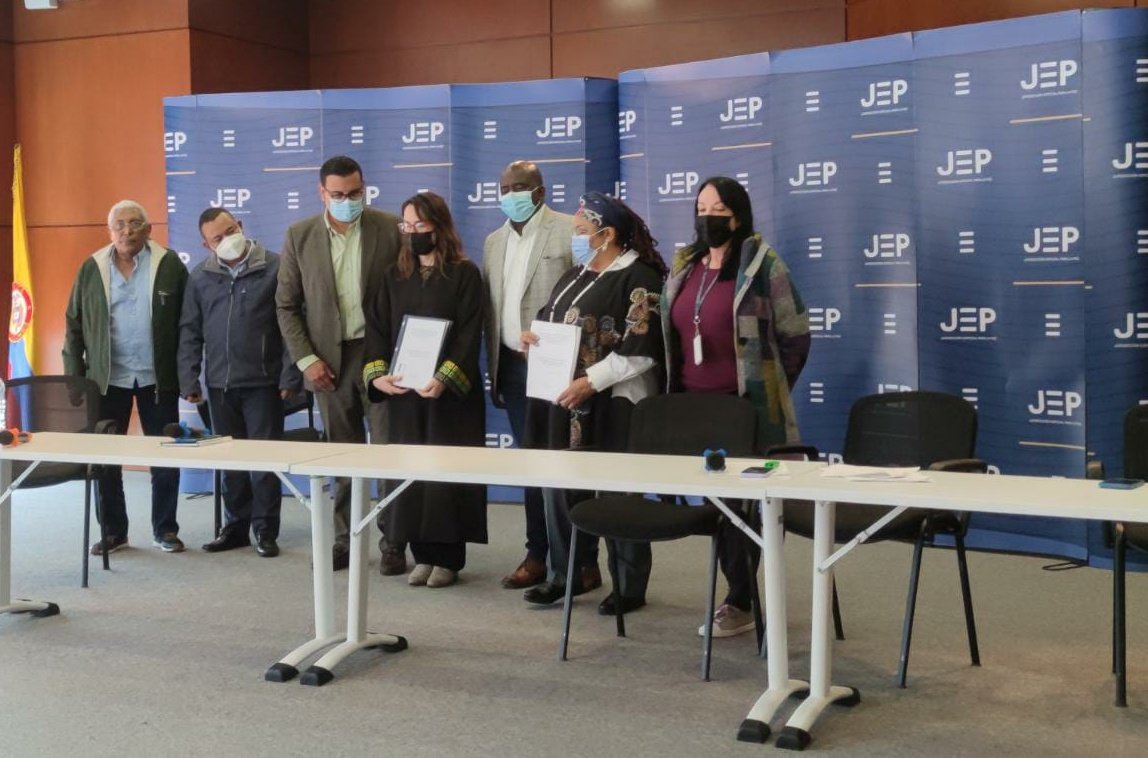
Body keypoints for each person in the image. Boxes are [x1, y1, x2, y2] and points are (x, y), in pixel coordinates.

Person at [662, 176, 810, 638]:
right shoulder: (686, 265)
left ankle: (740, 599)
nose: (707, 217)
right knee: (716, 506)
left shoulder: (763, 265)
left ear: (738, 216)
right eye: (701, 209)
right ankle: (738, 593)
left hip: (742, 408)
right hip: (692, 405)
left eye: (718, 210)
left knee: (741, 507)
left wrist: (770, 386)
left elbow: (795, 335)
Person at [520, 192, 666, 613]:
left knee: (619, 494)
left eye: (583, 231)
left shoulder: (639, 278)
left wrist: (592, 381)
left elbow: (643, 349)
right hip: (565, 400)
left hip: (616, 401)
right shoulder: (574, 275)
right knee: (561, 488)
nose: (577, 238)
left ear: (608, 234)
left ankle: (628, 585)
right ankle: (568, 573)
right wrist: (532, 340)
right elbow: (551, 323)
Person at [277, 155, 404, 572]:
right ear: (322, 193)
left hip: (382, 358)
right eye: (338, 194)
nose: (348, 201)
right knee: (341, 455)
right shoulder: (299, 236)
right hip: (328, 362)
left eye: (355, 193)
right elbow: (286, 305)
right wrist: (306, 359)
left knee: (387, 452)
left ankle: (393, 540)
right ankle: (345, 539)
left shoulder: (390, 228)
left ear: (364, 188)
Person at [362, 192, 487, 588]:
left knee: (445, 477)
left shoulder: (464, 274)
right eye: (407, 225)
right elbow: (377, 329)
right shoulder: (394, 276)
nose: (412, 232)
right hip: (407, 396)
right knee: (413, 475)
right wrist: (378, 375)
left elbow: (469, 333)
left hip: (448, 398)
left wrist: (445, 378)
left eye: (420, 225)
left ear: (439, 227)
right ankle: (422, 554)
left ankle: (448, 558)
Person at [64, 200, 189, 555]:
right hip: (107, 379)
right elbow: (73, 324)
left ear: (148, 230)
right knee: (105, 457)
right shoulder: (92, 268)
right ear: (110, 231)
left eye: (135, 223)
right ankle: (114, 532)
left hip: (157, 378)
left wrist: (188, 374)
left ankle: (165, 529)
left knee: (165, 454)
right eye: (119, 224)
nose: (127, 230)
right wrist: (74, 379)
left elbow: (188, 324)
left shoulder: (169, 265)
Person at [178, 208, 303, 558]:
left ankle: (265, 530)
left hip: (264, 384)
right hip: (220, 385)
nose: (227, 239)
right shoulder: (200, 277)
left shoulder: (276, 267)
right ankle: (235, 529)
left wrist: (290, 375)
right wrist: (189, 378)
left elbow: (291, 327)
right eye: (217, 238)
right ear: (206, 244)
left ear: (241, 226)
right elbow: (189, 331)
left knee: (264, 461)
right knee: (230, 461)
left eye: (231, 230)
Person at [483, 160, 575, 590]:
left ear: (540, 191)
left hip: (559, 368)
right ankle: (537, 554)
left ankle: (576, 561)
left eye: (518, 187)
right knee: (532, 466)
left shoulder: (569, 230)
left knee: (564, 467)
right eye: (504, 188)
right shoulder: (493, 241)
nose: (510, 195)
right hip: (513, 369)